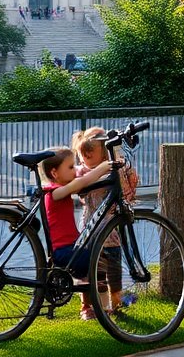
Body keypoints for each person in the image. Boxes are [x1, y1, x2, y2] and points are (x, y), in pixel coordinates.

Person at [38, 145, 116, 315]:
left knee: (94, 262)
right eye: (70, 167)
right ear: (54, 173)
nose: (75, 170)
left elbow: (83, 183)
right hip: (64, 252)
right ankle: (95, 308)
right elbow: (81, 182)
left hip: (70, 248)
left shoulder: (58, 190)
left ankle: (97, 307)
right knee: (97, 262)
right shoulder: (54, 193)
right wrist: (102, 167)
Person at [71, 127, 139, 319]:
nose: (85, 161)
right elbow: (81, 190)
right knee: (91, 272)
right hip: (91, 229)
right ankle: (87, 306)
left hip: (112, 231)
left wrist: (118, 157)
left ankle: (115, 302)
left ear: (103, 153)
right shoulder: (83, 172)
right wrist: (93, 173)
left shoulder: (113, 168)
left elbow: (129, 184)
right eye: (82, 156)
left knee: (113, 270)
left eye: (89, 156)